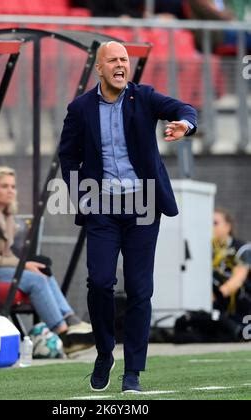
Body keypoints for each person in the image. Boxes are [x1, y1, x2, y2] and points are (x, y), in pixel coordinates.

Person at [59, 41, 197, 392]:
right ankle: (105, 351)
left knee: (139, 289)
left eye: (125, 59)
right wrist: (82, 197)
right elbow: (68, 156)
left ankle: (132, 371)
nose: (121, 65)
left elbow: (183, 107)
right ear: (100, 69)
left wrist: (184, 124)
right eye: (114, 60)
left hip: (143, 206)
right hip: (102, 209)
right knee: (101, 282)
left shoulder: (144, 97)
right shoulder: (80, 108)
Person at [0, 167, 93, 356]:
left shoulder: (5, 214)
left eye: (13, 186)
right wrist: (23, 265)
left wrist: (26, 264)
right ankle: (64, 336)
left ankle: (71, 320)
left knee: (41, 271)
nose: (11, 190)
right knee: (36, 280)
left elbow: (4, 254)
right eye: (4, 186)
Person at [213, 208, 251, 320]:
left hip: (241, 310)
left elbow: (238, 279)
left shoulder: (242, 248)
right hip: (218, 309)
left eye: (215, 223)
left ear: (227, 226)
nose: (210, 226)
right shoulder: (207, 249)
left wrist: (213, 298)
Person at [186, 0, 251, 51]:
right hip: (212, 34)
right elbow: (217, 14)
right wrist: (226, 16)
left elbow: (228, 13)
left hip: (226, 29)